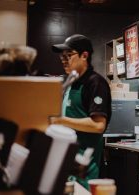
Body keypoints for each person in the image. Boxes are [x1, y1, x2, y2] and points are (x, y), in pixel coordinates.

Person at [49, 34, 112, 188]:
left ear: (84, 55)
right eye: (62, 56)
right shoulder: (71, 82)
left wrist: (59, 120)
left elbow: (98, 125)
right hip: (67, 158)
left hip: (85, 163)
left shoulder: (95, 83)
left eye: (68, 55)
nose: (64, 60)